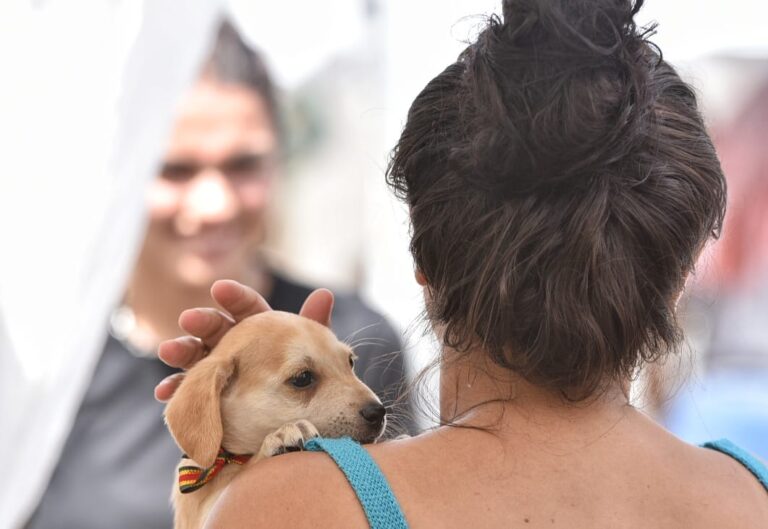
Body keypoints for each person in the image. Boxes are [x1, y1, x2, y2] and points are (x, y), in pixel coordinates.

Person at [156, 1, 768, 528]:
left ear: (424, 264)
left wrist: (237, 471)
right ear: (684, 270)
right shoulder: (750, 499)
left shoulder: (295, 508)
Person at [26, 20, 410, 529]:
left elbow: (404, 505)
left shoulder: (354, 330)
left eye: (243, 164)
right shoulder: (49, 365)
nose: (215, 203)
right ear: (124, 173)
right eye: (175, 170)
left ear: (278, 160)